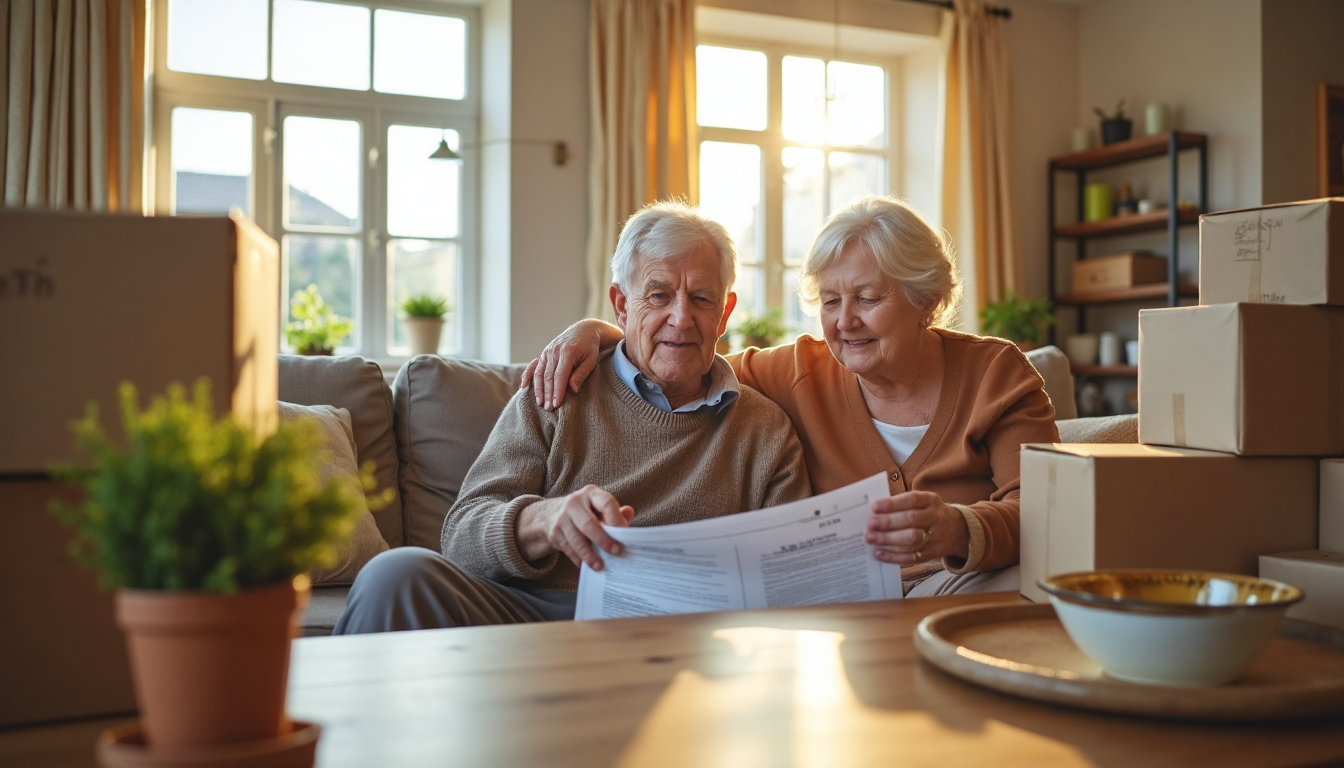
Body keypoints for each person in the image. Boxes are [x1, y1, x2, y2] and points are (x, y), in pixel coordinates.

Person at [524, 195, 1059, 596]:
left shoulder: (995, 374)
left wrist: (958, 529)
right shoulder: (801, 370)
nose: (845, 322)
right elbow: (683, 356)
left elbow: (1050, 511)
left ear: (929, 302)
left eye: (868, 299)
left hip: (958, 583)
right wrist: (598, 332)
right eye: (830, 301)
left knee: (1017, 581)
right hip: (850, 607)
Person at [334, 201, 810, 634]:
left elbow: (795, 579)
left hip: (688, 628)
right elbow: (461, 536)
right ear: (622, 304)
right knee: (395, 574)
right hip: (539, 614)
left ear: (724, 312)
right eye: (659, 296)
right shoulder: (558, 388)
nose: (681, 319)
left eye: (702, 299)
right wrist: (544, 519)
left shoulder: (765, 429)